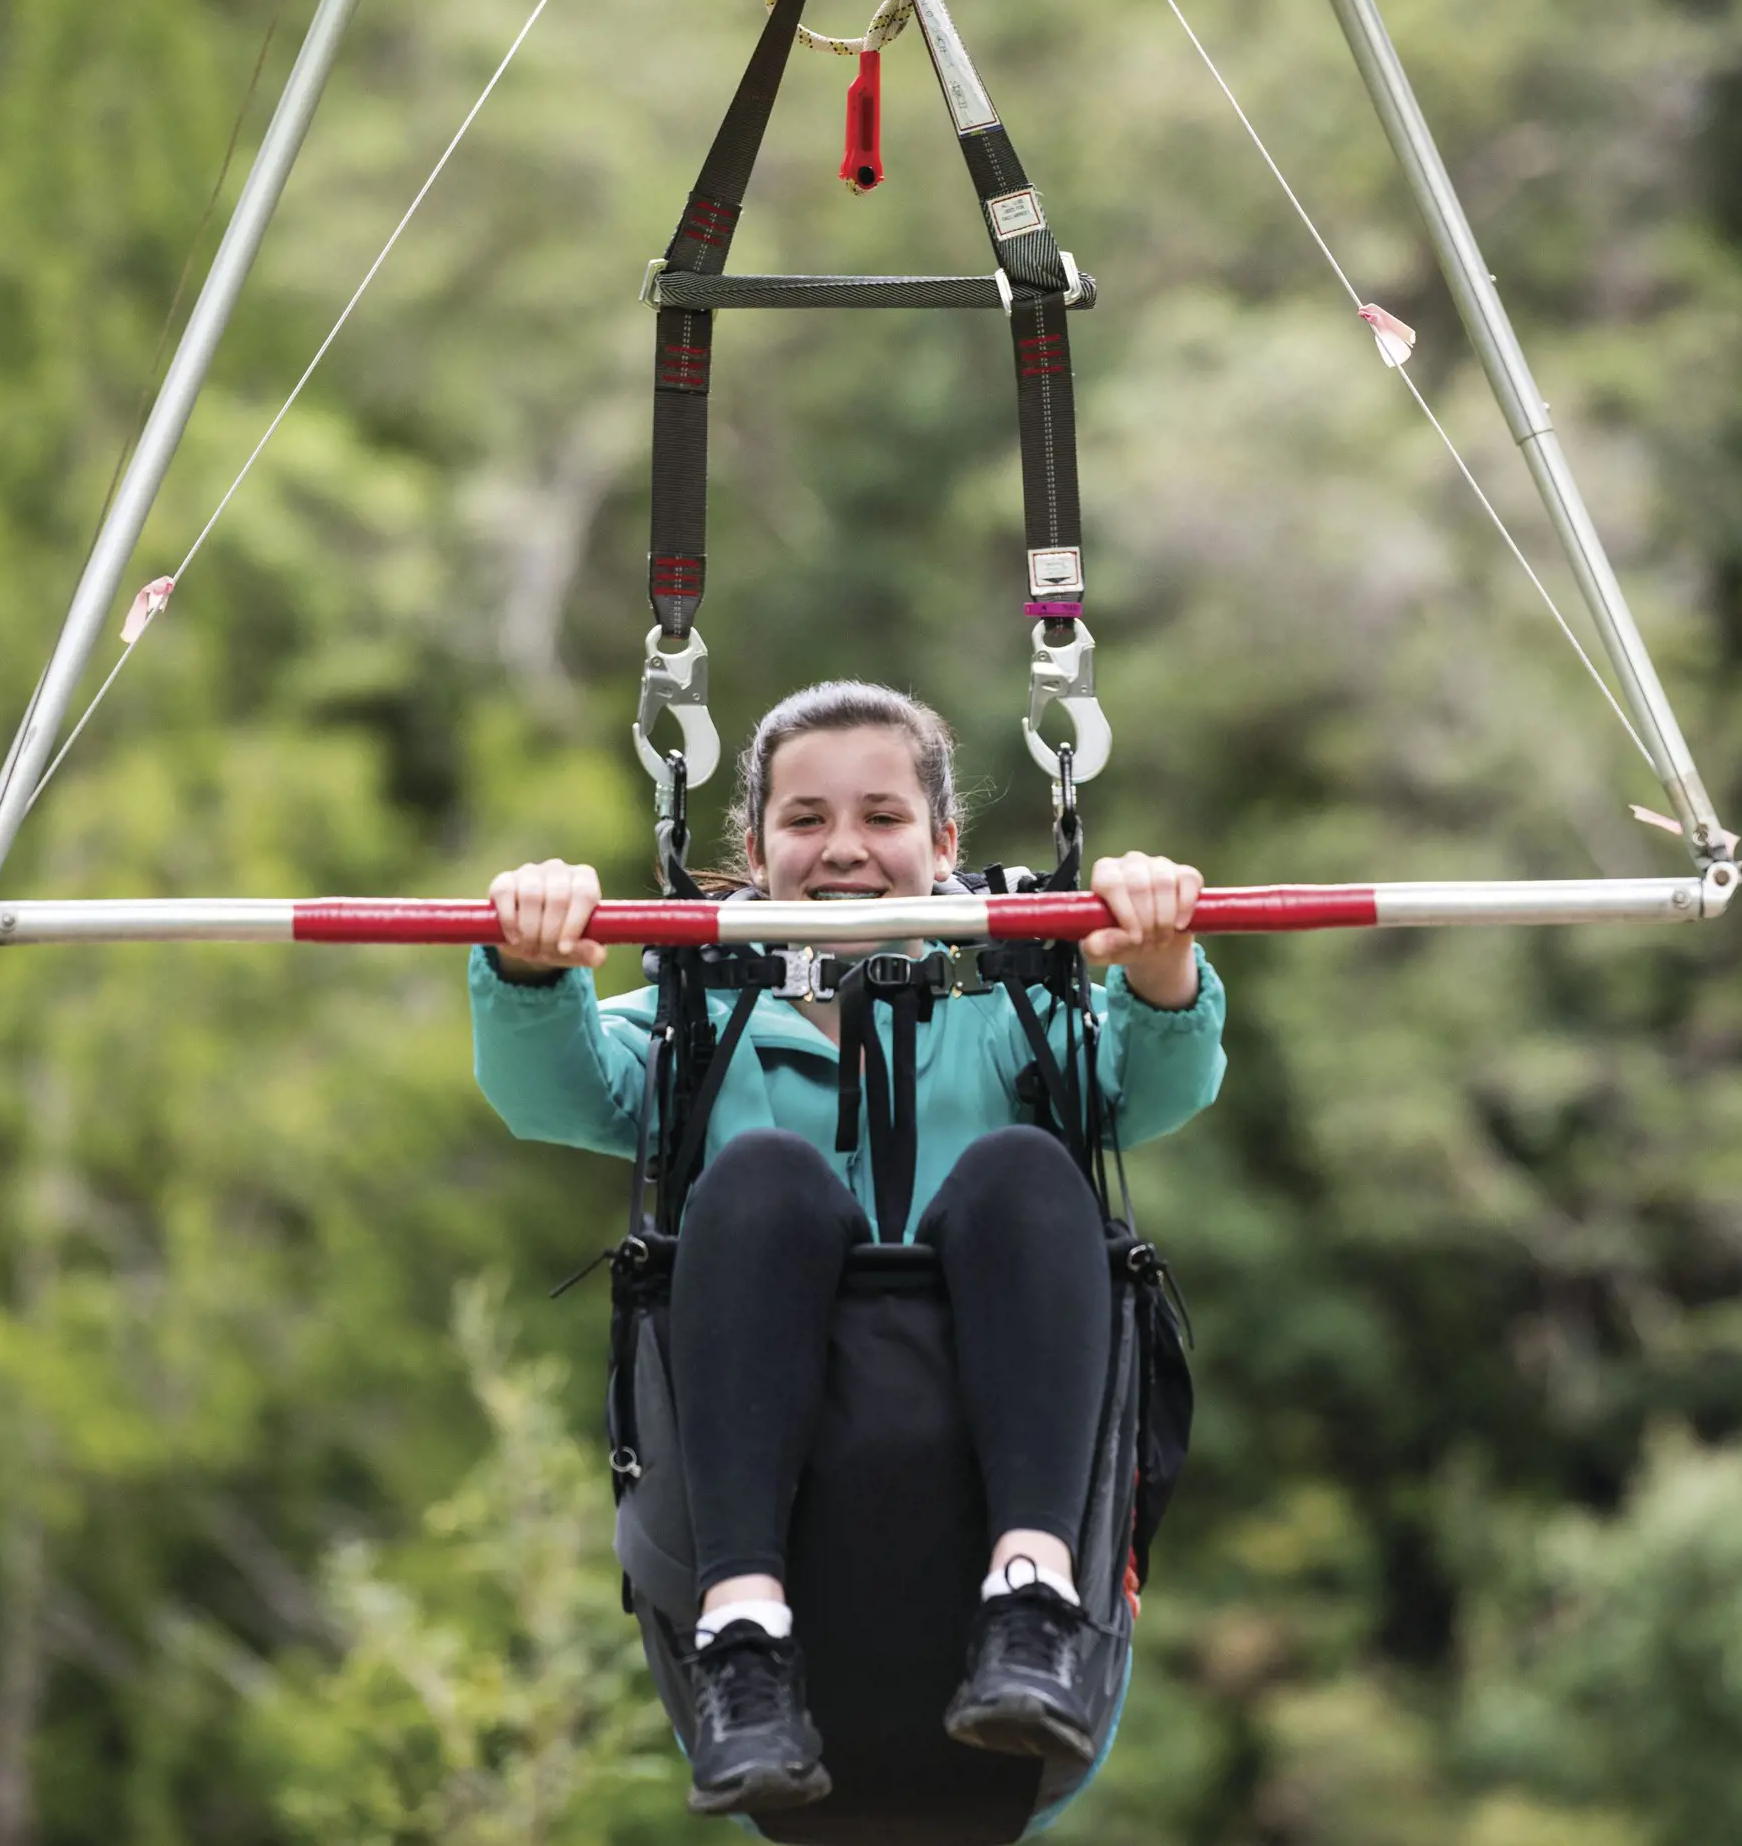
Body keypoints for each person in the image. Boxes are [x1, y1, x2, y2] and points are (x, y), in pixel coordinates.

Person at [469, 679, 1224, 1818]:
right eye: (805, 820)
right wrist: (531, 959)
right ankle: (742, 1628)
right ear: (758, 846)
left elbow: (1153, 1081)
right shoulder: (698, 1027)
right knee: (764, 1181)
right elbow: (550, 1086)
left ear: (944, 840)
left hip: (988, 1467)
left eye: (882, 817)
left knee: (1026, 1168)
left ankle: (1033, 1594)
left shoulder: (1014, 1018)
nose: (844, 851)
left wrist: (1159, 958)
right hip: (767, 1493)